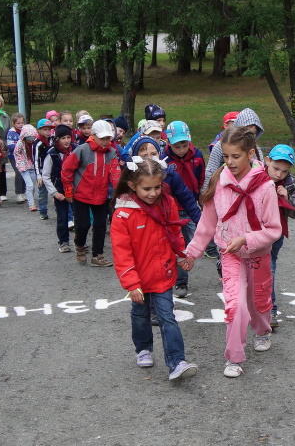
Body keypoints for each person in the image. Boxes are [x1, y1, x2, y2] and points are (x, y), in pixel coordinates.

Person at [181, 125, 282, 378]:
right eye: (226, 156)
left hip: (258, 255)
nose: (230, 162)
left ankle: (262, 330)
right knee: (235, 306)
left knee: (258, 303)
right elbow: (207, 224)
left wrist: (247, 238)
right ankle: (234, 358)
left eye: (235, 156)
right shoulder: (220, 182)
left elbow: (273, 230)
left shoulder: (266, 187)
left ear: (250, 154)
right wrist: (191, 252)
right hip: (230, 254)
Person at [110, 155, 199, 381]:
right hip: (138, 279)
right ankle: (143, 348)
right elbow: (122, 252)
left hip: (163, 272)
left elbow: (174, 233)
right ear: (132, 185)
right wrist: (131, 284)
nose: (153, 193)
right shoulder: (123, 214)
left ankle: (177, 361)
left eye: (157, 187)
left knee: (167, 316)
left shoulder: (167, 203)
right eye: (146, 188)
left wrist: (181, 256)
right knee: (140, 314)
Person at [62, 118, 121, 267]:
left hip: (101, 195)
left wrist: (120, 191)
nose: (106, 141)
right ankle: (79, 246)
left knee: (101, 225)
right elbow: (67, 170)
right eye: (103, 138)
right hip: (81, 195)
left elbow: (115, 173)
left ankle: (97, 255)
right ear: (93, 136)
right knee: (83, 225)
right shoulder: (82, 150)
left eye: (108, 138)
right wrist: (68, 191)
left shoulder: (112, 152)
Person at [263, 144, 295, 328]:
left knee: (269, 269)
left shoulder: (290, 183)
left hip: (276, 233)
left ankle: (270, 309)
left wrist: (286, 199)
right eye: (276, 169)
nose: (279, 175)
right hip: (253, 231)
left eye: (284, 171)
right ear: (267, 161)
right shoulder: (256, 177)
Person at [165, 120, 205, 297]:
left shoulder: (197, 156)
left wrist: (202, 195)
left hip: (190, 206)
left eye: (184, 145)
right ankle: (175, 281)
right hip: (171, 209)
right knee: (172, 246)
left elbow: (202, 177)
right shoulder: (164, 161)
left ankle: (183, 280)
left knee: (189, 244)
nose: (181, 149)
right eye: (177, 146)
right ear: (168, 144)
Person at [203, 108, 265, 188]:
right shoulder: (220, 146)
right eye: (245, 133)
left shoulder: (257, 151)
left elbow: (262, 173)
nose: (250, 137)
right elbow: (210, 173)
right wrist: (205, 195)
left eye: (253, 133)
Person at [41, 125, 75, 252]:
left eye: (68, 137)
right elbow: (46, 176)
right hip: (59, 191)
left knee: (79, 217)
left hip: (74, 190)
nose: (66, 141)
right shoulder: (52, 154)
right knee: (62, 218)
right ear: (57, 139)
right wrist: (54, 193)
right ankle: (63, 242)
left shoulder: (75, 151)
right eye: (63, 138)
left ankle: (79, 242)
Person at [12, 124, 40, 212]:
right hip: (24, 167)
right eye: (28, 138)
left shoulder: (35, 143)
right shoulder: (20, 143)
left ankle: (30, 198)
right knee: (29, 185)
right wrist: (22, 164)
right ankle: (31, 204)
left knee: (34, 185)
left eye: (32, 137)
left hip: (32, 167)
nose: (30, 140)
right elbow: (16, 154)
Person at [33, 118, 55, 219]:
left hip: (52, 170)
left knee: (55, 190)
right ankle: (42, 210)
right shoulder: (37, 143)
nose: (47, 132)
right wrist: (38, 176)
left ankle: (58, 209)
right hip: (42, 172)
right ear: (39, 130)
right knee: (42, 193)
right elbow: (36, 160)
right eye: (45, 129)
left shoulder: (53, 140)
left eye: (49, 129)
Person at [5, 112, 28, 203]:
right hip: (13, 156)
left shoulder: (25, 131)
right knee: (18, 172)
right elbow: (10, 145)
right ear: (14, 124)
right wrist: (21, 147)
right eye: (18, 123)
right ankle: (18, 193)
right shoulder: (11, 133)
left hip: (24, 156)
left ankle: (23, 191)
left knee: (25, 172)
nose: (21, 125)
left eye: (22, 123)